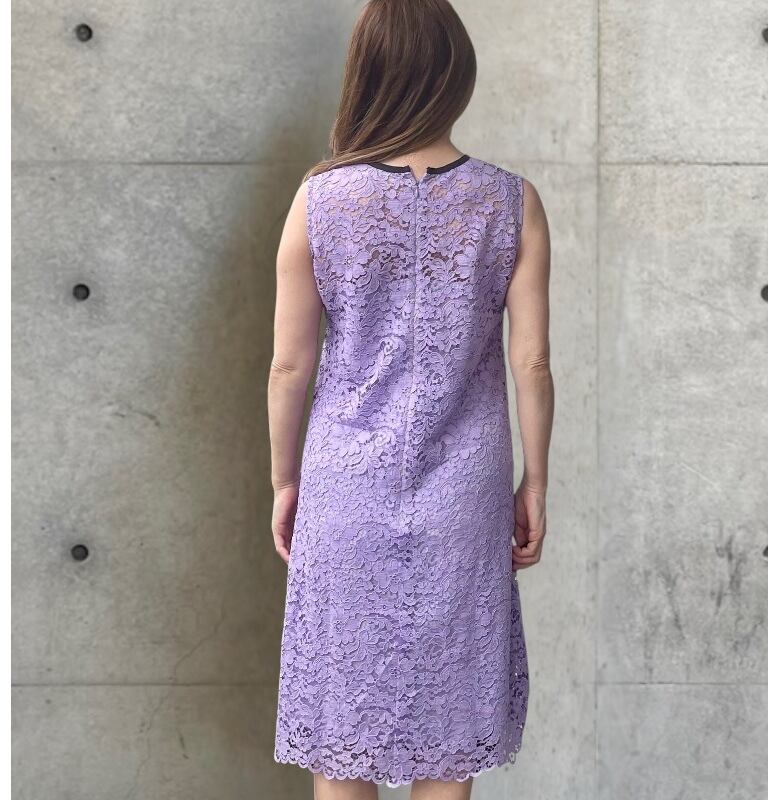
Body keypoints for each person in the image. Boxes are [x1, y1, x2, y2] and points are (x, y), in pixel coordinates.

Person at [267, 1, 553, 797]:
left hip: (344, 486)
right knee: (449, 737)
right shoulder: (511, 201)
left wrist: (284, 480)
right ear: (456, 76)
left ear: (367, 73)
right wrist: (535, 481)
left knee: (342, 731)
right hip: (466, 491)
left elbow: (288, 367)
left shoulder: (320, 200)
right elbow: (532, 362)